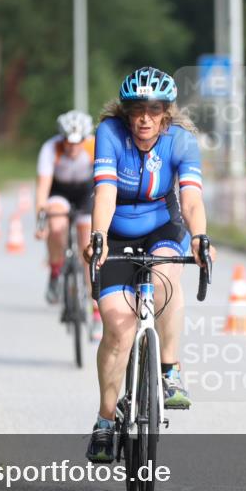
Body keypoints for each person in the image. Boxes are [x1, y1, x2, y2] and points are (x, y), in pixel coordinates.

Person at [82, 66, 216, 463]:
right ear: (125, 112)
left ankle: (169, 369)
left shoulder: (181, 141)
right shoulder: (109, 134)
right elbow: (105, 191)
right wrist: (100, 236)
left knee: (165, 273)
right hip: (117, 230)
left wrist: (198, 236)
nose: (144, 118)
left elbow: (191, 199)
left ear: (166, 112)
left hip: (162, 225)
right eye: (136, 109)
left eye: (154, 109)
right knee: (118, 325)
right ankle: (106, 421)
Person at [34, 109, 102, 340]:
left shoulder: (95, 147)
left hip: (85, 193)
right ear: (61, 138)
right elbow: (42, 187)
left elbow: (106, 183)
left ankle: (96, 314)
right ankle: (55, 271)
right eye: (68, 142)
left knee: (90, 252)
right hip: (59, 192)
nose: (72, 148)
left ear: (85, 139)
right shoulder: (50, 148)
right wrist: (40, 219)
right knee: (56, 224)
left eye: (77, 143)